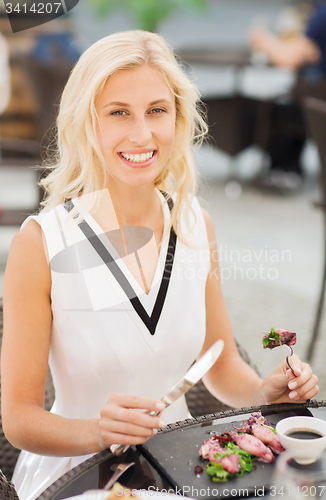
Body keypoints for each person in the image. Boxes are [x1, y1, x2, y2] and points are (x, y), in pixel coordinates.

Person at [1, 31, 319, 500]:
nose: (142, 134)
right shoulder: (42, 242)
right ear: (88, 122)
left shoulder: (195, 226)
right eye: (118, 113)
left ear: (178, 117)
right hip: (78, 477)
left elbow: (221, 362)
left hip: (181, 467)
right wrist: (97, 431)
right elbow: (19, 419)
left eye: (156, 110)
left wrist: (262, 393)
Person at [249, 2, 326, 192]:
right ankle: (289, 170)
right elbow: (311, 52)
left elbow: (288, 58)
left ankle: (282, 173)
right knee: (293, 102)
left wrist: (262, 39)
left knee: (277, 109)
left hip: (319, 104)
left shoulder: (321, 16)